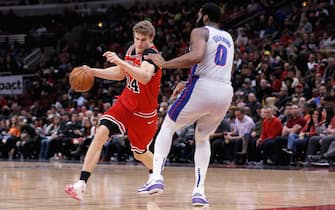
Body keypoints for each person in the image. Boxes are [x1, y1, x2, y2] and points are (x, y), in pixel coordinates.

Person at [139, 3, 234, 207]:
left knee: (168, 126)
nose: (197, 17)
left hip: (204, 86)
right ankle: (199, 192)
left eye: (199, 14)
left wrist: (164, 63)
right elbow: (216, 67)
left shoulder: (200, 31)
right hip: (225, 90)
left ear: (205, 16)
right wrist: (188, 82)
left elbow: (196, 57)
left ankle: (156, 177)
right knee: (202, 138)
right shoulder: (228, 37)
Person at [64, 20, 162, 201]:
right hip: (125, 105)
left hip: (144, 113)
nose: (139, 44)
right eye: (137, 39)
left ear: (151, 38)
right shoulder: (131, 50)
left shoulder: (152, 55)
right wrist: (93, 71)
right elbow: (120, 74)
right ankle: (81, 184)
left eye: (143, 40)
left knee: (139, 153)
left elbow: (145, 77)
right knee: (101, 133)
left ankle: (156, 173)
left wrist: (119, 61)